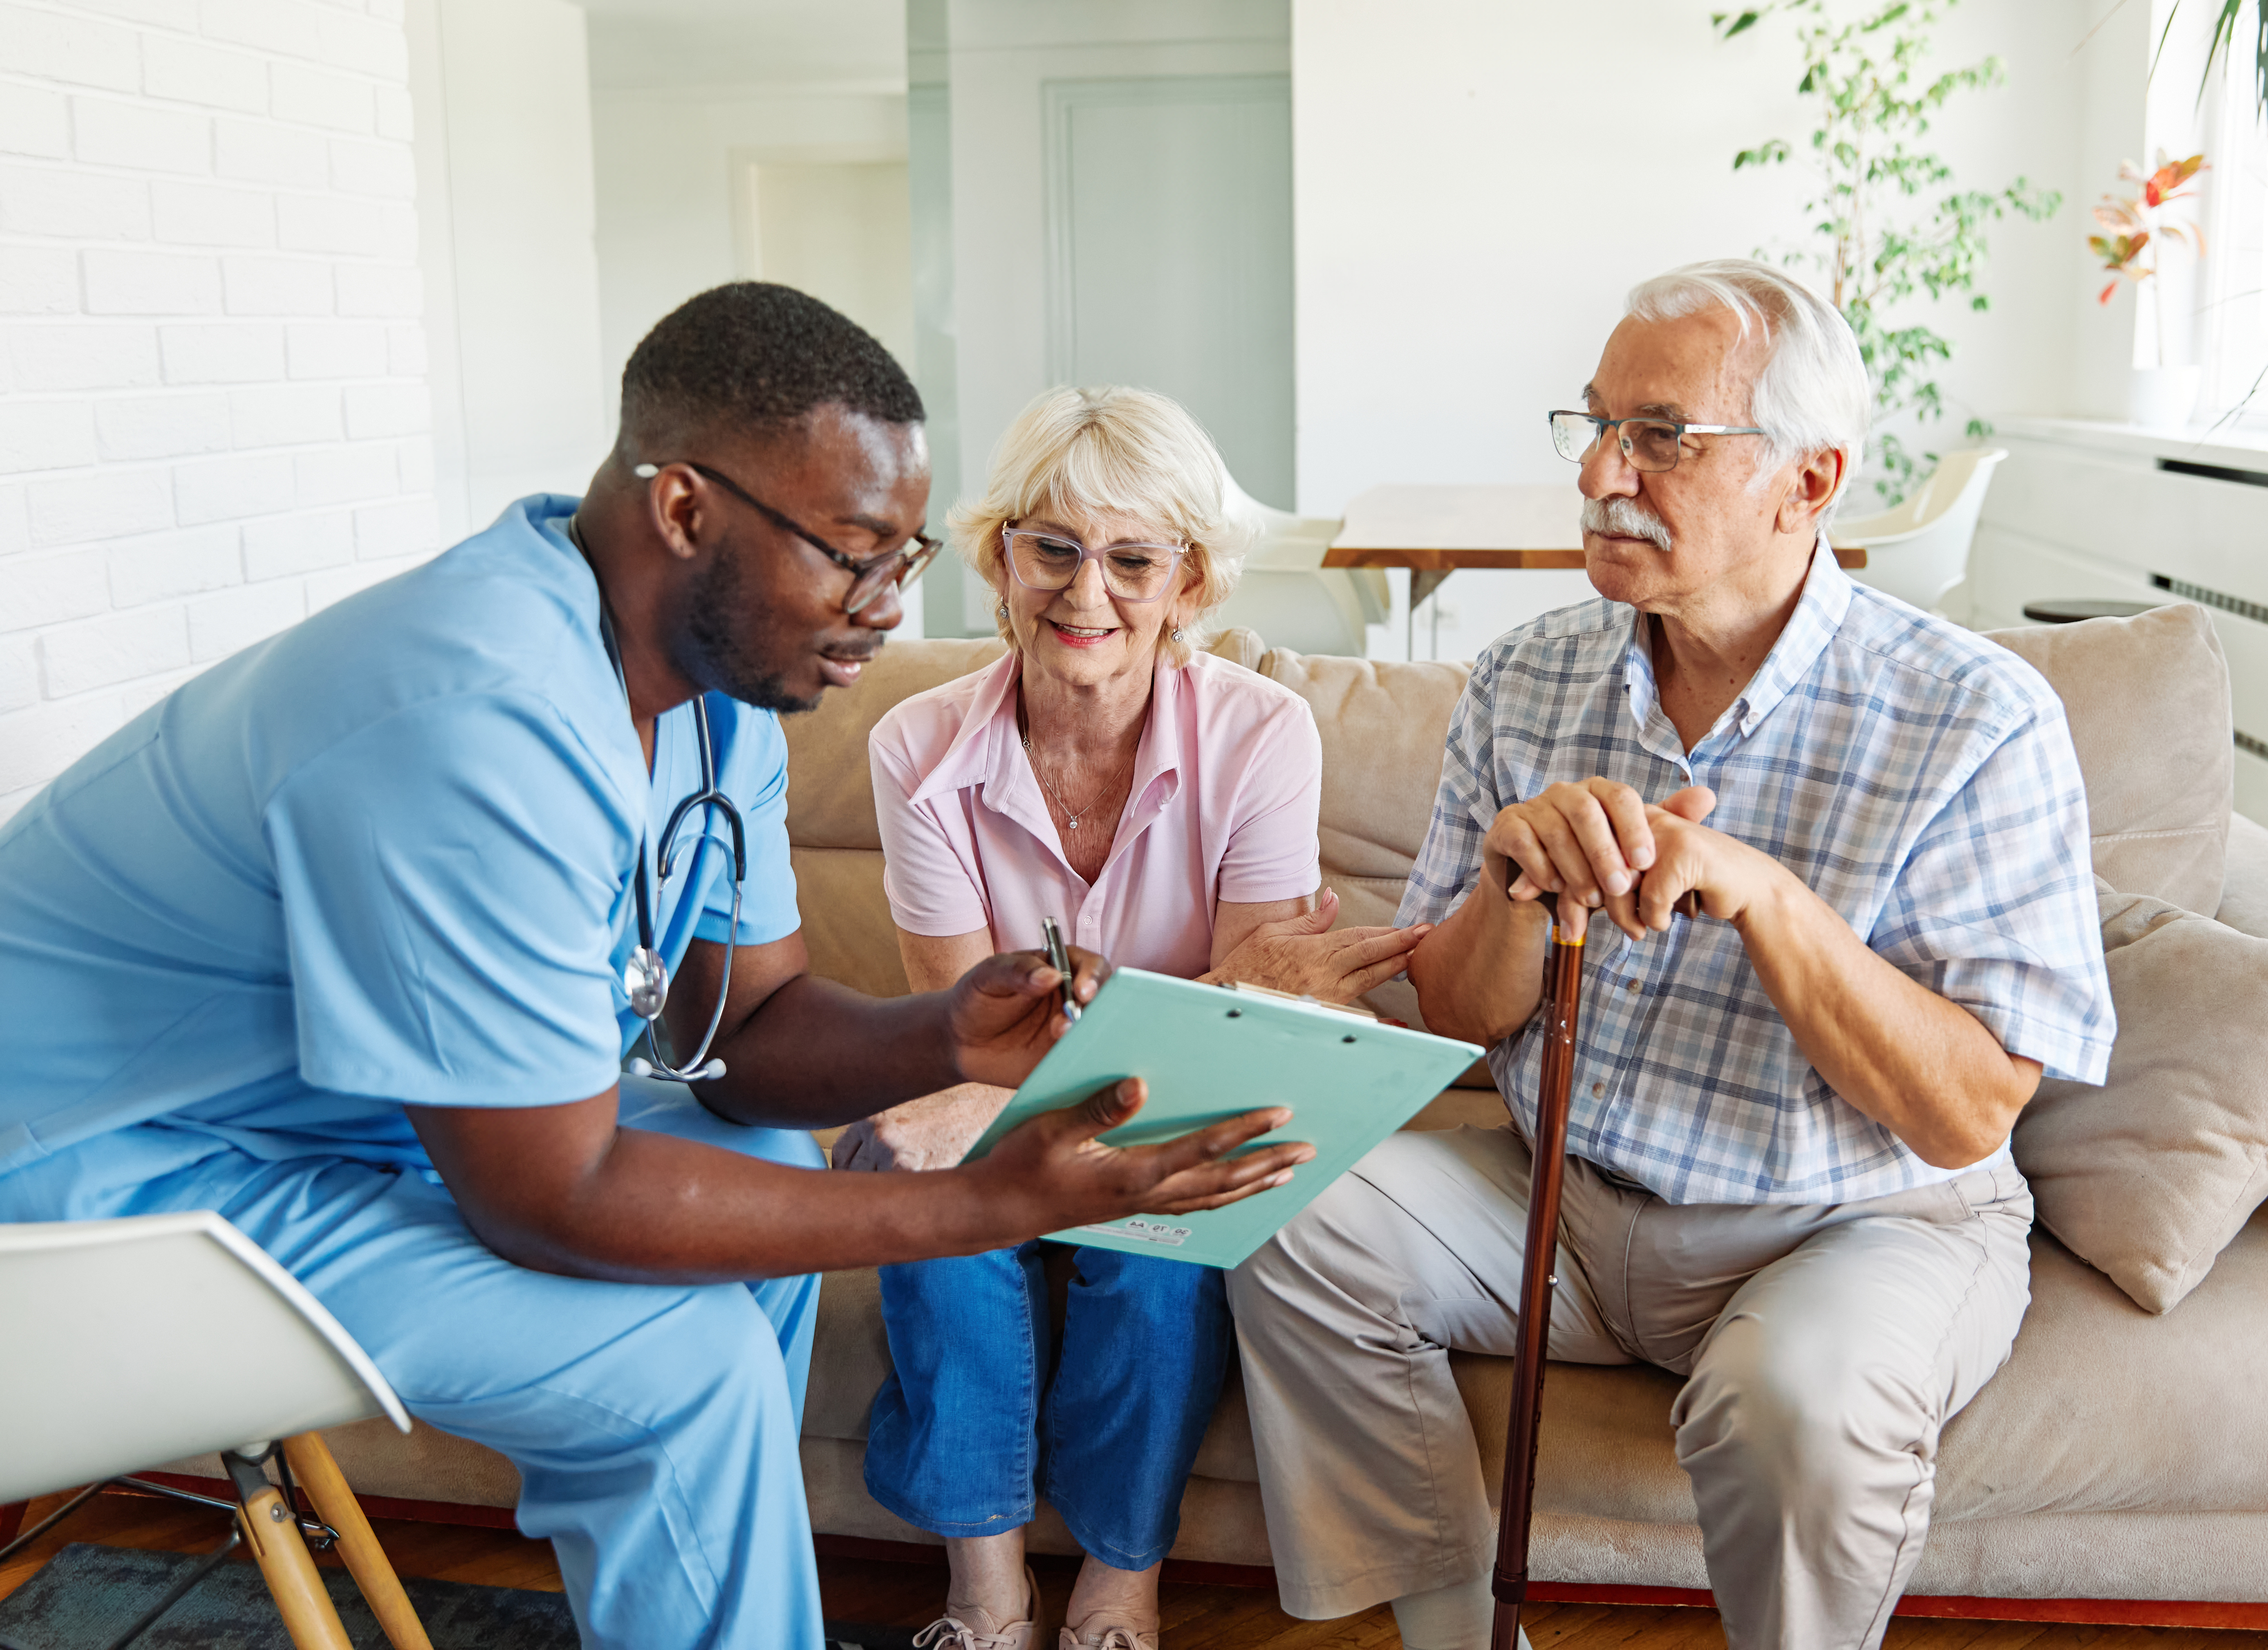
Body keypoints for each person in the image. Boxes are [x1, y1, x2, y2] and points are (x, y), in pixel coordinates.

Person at [0, 284, 1317, 1650]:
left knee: (780, 1178)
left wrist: (949, 1037)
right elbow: (553, 1195)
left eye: (905, 550)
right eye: (853, 552)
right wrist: (979, 1203)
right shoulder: (477, 714)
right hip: (98, 1190)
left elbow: (748, 1030)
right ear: (686, 512)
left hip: (312, 1125)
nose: (893, 604)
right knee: (676, 1366)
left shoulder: (719, 693)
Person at [1224, 260, 2116, 1650]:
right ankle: (1460, 1634)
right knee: (1283, 1202)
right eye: (1592, 425)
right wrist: (1515, 887)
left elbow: (1967, 1112)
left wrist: (1768, 897)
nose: (1598, 471)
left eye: (1660, 437)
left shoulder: (1977, 715)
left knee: (1803, 1397)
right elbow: (1456, 1018)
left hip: (1856, 1218)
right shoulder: (1526, 678)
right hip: (1563, 1199)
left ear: (1807, 483)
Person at [831, 386, 1426, 1650]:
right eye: (1052, 546)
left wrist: (1111, 1049)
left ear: (1189, 580)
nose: (1085, 590)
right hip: (1002, 1099)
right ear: (1001, 558)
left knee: (1158, 1229)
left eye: (1131, 557)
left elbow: (1247, 1029)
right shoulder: (914, 746)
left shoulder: (1261, 734)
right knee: (928, 1195)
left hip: (1178, 1107)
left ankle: (1121, 1582)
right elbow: (966, 1036)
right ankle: (985, 1590)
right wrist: (1138, 1028)